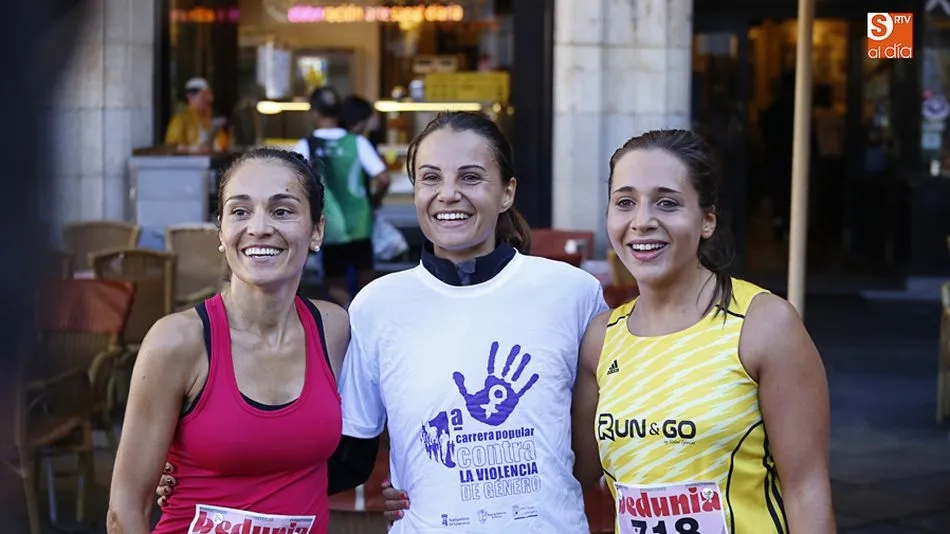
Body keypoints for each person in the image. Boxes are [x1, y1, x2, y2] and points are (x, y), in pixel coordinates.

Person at [158, 111, 609, 532]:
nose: (448, 194)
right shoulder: (377, 306)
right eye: (430, 178)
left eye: (470, 177)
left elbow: (594, 454)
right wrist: (202, 472)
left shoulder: (574, 293)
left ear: (507, 192)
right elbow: (345, 455)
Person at [570, 129, 835, 533]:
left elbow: (807, 491)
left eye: (667, 203)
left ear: (707, 220)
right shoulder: (601, 339)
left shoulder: (764, 325)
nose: (642, 221)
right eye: (625, 202)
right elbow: (574, 473)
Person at [108, 147, 375, 533]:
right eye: (240, 211)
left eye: (282, 211)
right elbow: (125, 511)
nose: (259, 227)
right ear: (221, 230)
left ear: (317, 230)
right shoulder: (177, 342)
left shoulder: (335, 329)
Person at [292, 86, 390, 307]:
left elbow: (291, 183)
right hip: (360, 223)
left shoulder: (306, 145)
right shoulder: (357, 142)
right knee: (366, 279)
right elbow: (383, 179)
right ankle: (362, 315)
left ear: (314, 112)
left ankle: (346, 313)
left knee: (334, 281)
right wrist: (374, 201)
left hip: (330, 226)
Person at [164, 77, 216, 153]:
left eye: (209, 95)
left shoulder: (210, 117)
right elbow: (171, 146)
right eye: (204, 96)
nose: (210, 99)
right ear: (190, 97)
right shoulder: (180, 119)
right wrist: (194, 149)